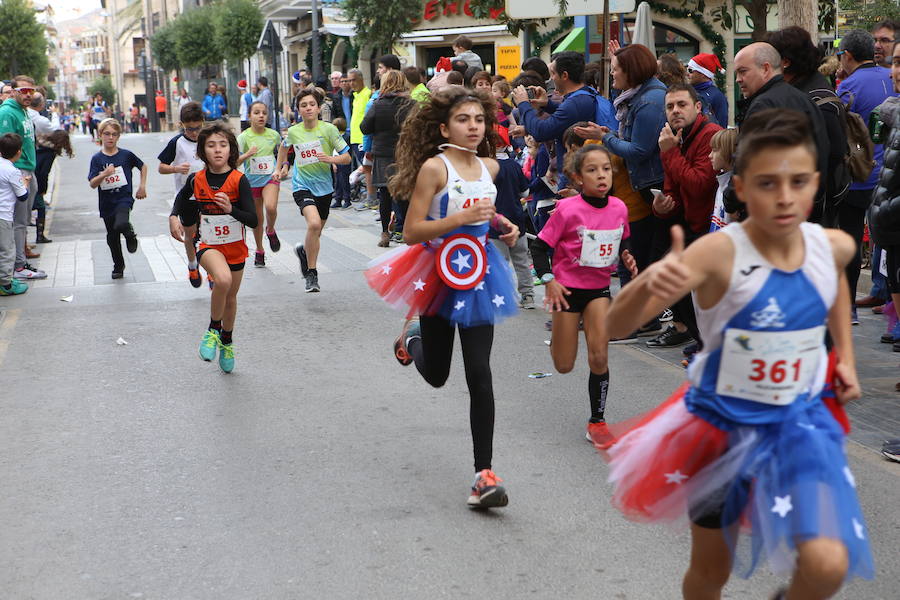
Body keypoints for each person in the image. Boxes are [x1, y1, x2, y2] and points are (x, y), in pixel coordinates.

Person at [603, 108, 873, 597]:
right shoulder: (718, 253)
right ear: (743, 188)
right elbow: (615, 326)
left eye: (798, 182)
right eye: (768, 183)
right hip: (721, 428)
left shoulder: (831, 245)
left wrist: (846, 357)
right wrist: (646, 285)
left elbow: (833, 288)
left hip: (800, 426)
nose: (786, 197)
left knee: (828, 566)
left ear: (814, 183)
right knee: (710, 572)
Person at [364, 86, 519, 509]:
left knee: (480, 372)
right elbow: (412, 231)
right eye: (464, 120)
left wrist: (504, 224)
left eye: (479, 120)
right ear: (444, 127)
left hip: (479, 277)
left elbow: (483, 215)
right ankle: (412, 340)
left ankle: (483, 474)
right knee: (437, 375)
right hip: (436, 275)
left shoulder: (490, 166)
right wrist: (459, 219)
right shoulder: (436, 168)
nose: (473, 127)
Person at [532, 144, 637, 444]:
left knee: (599, 355)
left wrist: (627, 256)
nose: (601, 175)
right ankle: (559, 338)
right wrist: (548, 279)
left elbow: (624, 241)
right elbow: (539, 248)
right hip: (566, 291)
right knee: (564, 365)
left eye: (606, 168)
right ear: (578, 178)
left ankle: (597, 421)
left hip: (598, 291)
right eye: (592, 170)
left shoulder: (619, 208)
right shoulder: (567, 210)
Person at [171, 123, 258, 373]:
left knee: (230, 298)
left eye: (223, 145)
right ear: (202, 151)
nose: (217, 150)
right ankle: (212, 330)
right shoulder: (196, 179)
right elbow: (181, 197)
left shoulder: (239, 181)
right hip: (208, 245)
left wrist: (232, 209)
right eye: (211, 145)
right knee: (222, 280)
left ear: (231, 149)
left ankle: (227, 342)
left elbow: (253, 220)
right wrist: (173, 216)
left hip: (235, 248)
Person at [577, 43, 667, 280]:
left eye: (616, 68)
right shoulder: (639, 95)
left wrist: (604, 137)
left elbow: (638, 150)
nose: (612, 73)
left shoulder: (649, 100)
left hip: (650, 187)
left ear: (631, 71)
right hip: (642, 188)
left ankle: (643, 315)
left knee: (637, 263)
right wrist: (613, 136)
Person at [647, 83, 722, 352]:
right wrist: (663, 205)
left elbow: (700, 185)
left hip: (711, 227)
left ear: (697, 107)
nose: (675, 111)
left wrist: (670, 152)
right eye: (670, 106)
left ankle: (705, 342)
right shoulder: (675, 136)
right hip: (689, 222)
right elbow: (673, 187)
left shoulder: (710, 135)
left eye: (682, 104)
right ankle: (697, 337)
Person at [836, 30, 897, 323]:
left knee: (849, 242)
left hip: (858, 178)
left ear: (847, 56)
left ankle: (847, 307)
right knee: (887, 244)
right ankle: (888, 301)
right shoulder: (890, 77)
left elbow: (837, 132)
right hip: (890, 177)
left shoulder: (848, 87)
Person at [768, 26, 850, 227]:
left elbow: (835, 151)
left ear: (786, 62)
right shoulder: (802, 88)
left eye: (771, 57)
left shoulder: (815, 98)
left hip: (815, 208)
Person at [276, 88, 352, 292]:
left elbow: (347, 157)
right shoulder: (294, 131)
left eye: (311, 104)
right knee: (314, 224)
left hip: (325, 188)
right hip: (302, 186)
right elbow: (284, 148)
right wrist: (279, 168)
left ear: (318, 108)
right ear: (299, 110)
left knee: (316, 231)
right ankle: (312, 274)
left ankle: (304, 251)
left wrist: (331, 159)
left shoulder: (329, 130)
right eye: (303, 105)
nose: (308, 108)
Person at [512, 51, 617, 175]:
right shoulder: (584, 94)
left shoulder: (576, 103)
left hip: (577, 173)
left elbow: (542, 132)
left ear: (565, 75)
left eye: (553, 74)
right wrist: (547, 104)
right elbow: (567, 117)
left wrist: (523, 104)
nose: (551, 79)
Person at [360, 70, 415, 246]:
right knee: (404, 193)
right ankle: (402, 229)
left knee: (384, 194)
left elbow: (364, 128)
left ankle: (385, 233)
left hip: (383, 154)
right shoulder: (412, 105)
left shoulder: (378, 105)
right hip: (405, 154)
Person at [87, 118, 147, 279]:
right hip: (106, 202)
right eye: (107, 134)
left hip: (124, 199)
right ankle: (118, 266)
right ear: (100, 135)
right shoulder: (97, 159)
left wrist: (142, 186)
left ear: (118, 136)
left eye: (114, 134)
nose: (110, 138)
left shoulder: (126, 155)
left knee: (121, 223)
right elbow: (92, 183)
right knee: (112, 237)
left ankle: (130, 235)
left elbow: (143, 166)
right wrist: (104, 174)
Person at [0, 76, 45, 281]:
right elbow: (6, 146)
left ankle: (20, 261)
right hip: (18, 171)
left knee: (24, 221)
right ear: (14, 91)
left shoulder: (24, 111)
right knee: (19, 221)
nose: (29, 95)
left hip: (28, 169)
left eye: (31, 91)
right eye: (24, 91)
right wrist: (16, 173)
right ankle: (18, 266)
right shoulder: (7, 112)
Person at [159, 101, 206, 288]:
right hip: (185, 196)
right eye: (189, 129)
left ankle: (211, 270)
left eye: (197, 128)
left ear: (203, 122)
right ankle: (193, 265)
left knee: (208, 233)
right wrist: (176, 168)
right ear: (181, 125)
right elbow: (161, 167)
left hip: (207, 195)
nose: (194, 132)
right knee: (190, 233)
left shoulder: (208, 139)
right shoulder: (176, 142)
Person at [237, 101, 282, 268]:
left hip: (270, 178)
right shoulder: (243, 137)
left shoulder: (274, 135)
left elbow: (283, 156)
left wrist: (282, 168)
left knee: (270, 208)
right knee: (256, 219)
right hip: (252, 182)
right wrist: (247, 154)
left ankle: (270, 230)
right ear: (249, 116)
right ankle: (259, 250)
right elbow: (234, 162)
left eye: (264, 112)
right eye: (256, 112)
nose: (261, 115)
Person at [0, 133, 29, 296]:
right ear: (18, 152)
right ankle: (6, 284)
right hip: (3, 215)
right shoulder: (12, 171)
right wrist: (25, 183)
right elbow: (22, 196)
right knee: (7, 250)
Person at [33, 129, 73, 244]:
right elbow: (44, 173)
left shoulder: (40, 144)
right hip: (35, 182)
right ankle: (40, 235)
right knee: (40, 207)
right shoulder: (50, 152)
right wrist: (43, 189)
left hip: (28, 176)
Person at [347, 69, 373, 203]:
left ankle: (372, 198)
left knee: (368, 169)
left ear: (361, 79)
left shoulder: (368, 94)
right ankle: (368, 195)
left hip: (363, 139)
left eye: (353, 80)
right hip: (355, 139)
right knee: (365, 169)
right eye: (349, 80)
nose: (351, 83)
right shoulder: (355, 96)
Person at [687, 53, 729, 126]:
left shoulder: (717, 96)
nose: (687, 74)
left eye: (690, 70)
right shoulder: (687, 92)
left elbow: (722, 128)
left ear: (703, 73)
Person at [332, 117, 352, 209]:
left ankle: (347, 200)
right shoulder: (334, 137)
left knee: (344, 181)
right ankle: (338, 199)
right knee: (338, 182)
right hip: (336, 160)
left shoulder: (346, 137)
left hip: (344, 161)